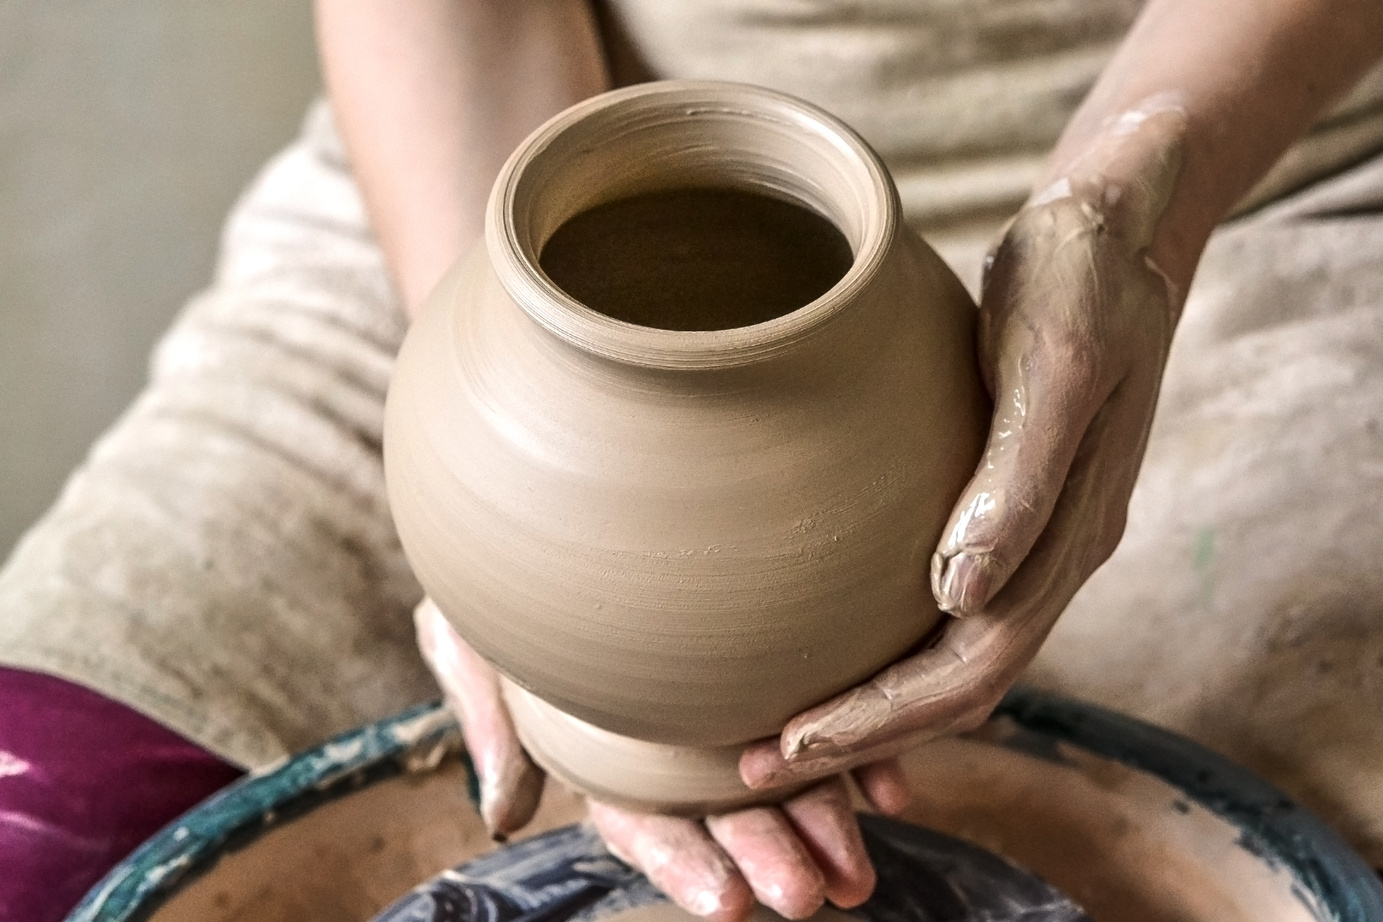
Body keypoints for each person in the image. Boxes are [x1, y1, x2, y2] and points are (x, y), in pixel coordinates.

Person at [2, 1, 1382, 919]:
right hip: (511, 184)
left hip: (1237, 183)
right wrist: (485, 396)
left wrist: (1140, 196)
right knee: (33, 836)